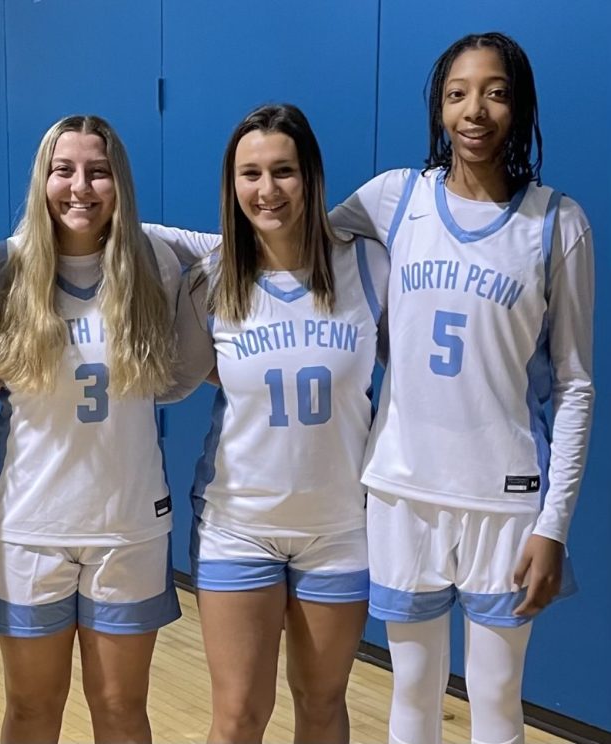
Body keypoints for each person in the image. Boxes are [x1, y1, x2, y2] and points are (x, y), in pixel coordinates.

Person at [328, 32, 594, 744]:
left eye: (495, 92)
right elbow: (290, 248)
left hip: (503, 502)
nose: (474, 111)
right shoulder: (395, 198)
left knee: (496, 699)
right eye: (457, 94)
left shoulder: (557, 224)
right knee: (410, 692)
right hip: (402, 490)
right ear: (439, 109)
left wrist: (552, 525)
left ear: (521, 107)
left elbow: (575, 385)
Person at [159, 103, 388, 744]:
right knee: (238, 716)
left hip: (339, 529)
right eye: (250, 174)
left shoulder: (368, 266)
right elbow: (187, 377)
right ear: (231, 187)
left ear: (311, 175)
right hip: (240, 527)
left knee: (321, 706)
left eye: (283, 171)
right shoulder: (212, 281)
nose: (267, 190)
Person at [0, 114, 182, 744]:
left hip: (129, 528)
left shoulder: (155, 264)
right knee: (32, 711)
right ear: (43, 179)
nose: (80, 186)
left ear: (121, 182)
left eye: (98, 171)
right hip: (31, 528)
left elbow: (234, 248)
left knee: (119, 709)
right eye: (64, 170)